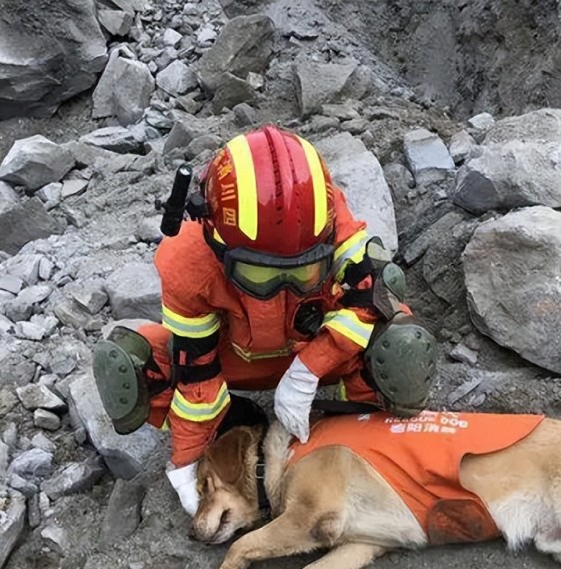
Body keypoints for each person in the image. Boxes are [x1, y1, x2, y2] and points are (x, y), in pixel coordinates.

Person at [92, 124, 437, 513]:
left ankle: (362, 427)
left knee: (401, 345)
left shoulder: (324, 219)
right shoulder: (189, 259)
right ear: (217, 239)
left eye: (301, 272)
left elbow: (377, 293)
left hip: (316, 348)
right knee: (131, 369)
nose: (281, 287)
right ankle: (234, 424)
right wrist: (186, 460)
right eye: (261, 276)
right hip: (234, 361)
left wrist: (308, 371)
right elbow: (196, 371)